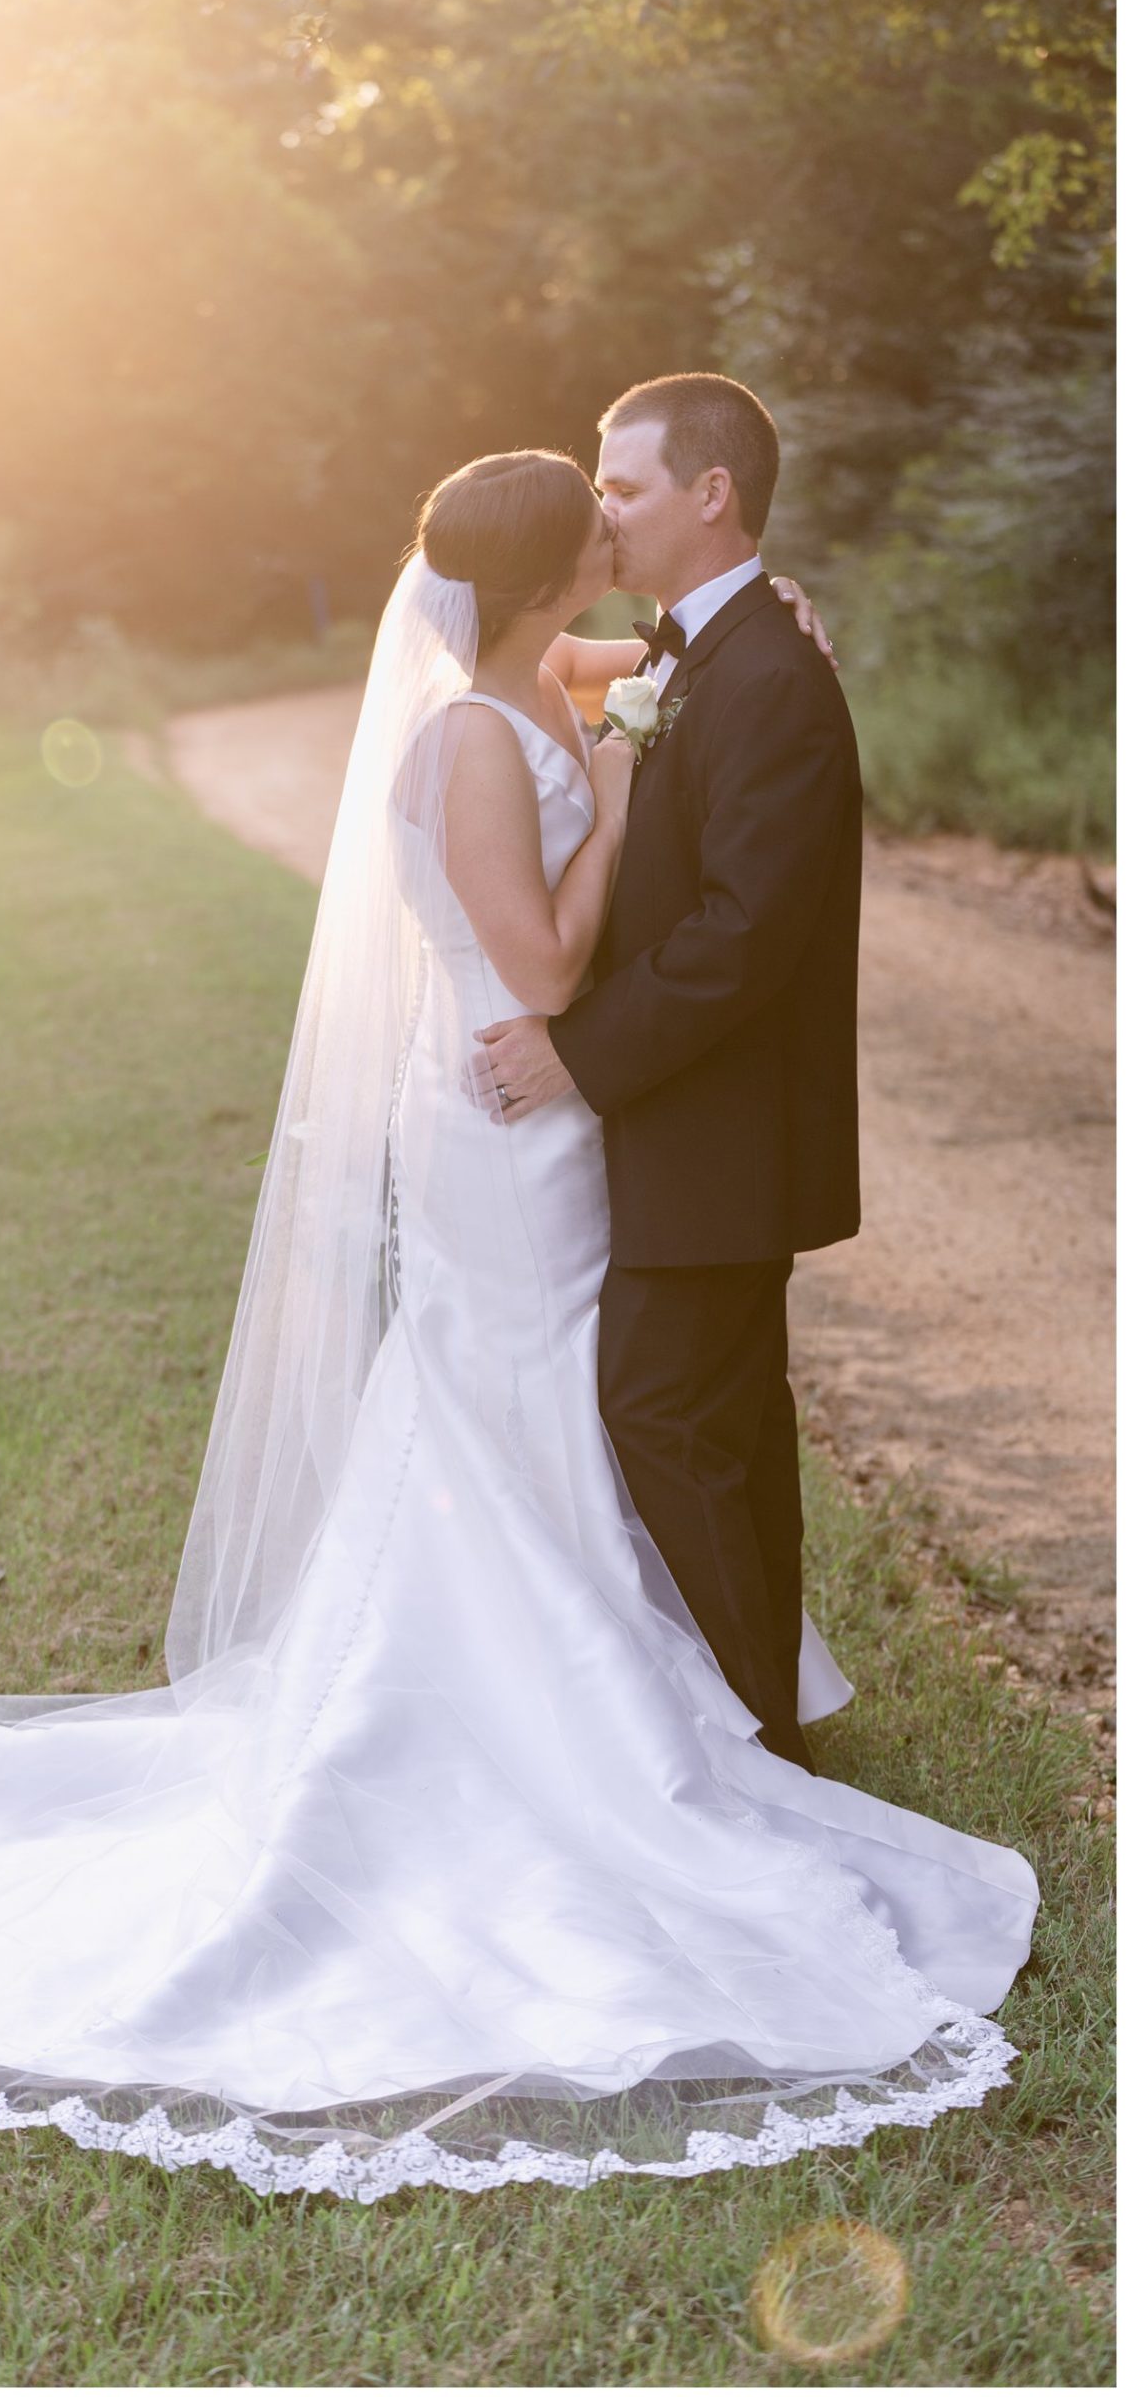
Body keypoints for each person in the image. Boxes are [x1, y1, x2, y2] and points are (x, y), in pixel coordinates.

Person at [0, 448, 1038, 2205]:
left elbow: (636, 678)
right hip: (507, 1120)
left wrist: (745, 631)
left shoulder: (537, 678)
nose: (618, 537)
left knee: (574, 1399)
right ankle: (549, 1716)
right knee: (519, 1393)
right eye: (599, 519)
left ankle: (651, 1680)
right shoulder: (469, 740)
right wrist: (628, 794)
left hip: (558, 1133)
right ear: (560, 566)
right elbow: (546, 974)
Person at [477, 375, 860, 1771]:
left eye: (623, 488)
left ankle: (755, 1739)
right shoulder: (689, 649)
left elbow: (745, 935)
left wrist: (575, 1053)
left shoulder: (765, 672)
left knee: (658, 1408)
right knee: (728, 1423)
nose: (601, 511)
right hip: (688, 1124)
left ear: (711, 495)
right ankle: (767, 1721)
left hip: (722, 1127)